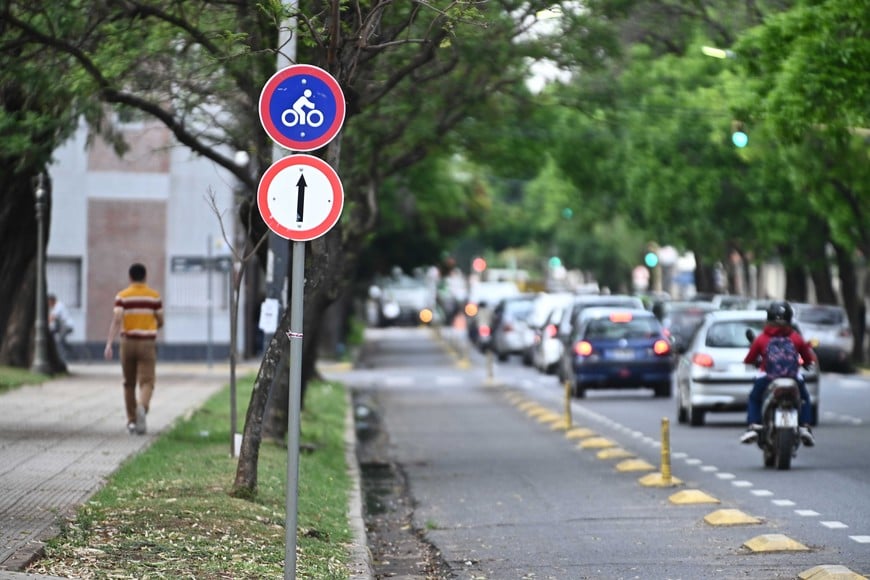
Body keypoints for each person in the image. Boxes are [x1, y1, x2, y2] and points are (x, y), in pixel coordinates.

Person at [740, 301, 816, 447]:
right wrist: (806, 363)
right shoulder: (795, 338)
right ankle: (805, 426)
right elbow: (807, 358)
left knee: (754, 399)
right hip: (793, 378)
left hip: (767, 378)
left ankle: (754, 425)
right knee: (805, 398)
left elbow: (749, 359)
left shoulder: (762, 338)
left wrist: (755, 362)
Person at [104, 263, 164, 435]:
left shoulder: (122, 296)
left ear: (130, 278)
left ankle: (131, 421)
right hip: (147, 343)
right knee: (147, 381)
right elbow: (160, 320)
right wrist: (152, 324)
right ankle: (142, 408)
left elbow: (117, 319)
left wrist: (109, 343)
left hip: (127, 342)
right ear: (145, 277)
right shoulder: (154, 297)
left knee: (128, 383)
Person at [48, 294, 73, 363]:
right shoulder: (55, 308)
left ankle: (65, 355)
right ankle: (64, 350)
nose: (48, 305)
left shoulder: (59, 306)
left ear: (52, 301)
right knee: (52, 334)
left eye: (49, 302)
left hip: (67, 326)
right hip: (61, 326)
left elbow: (52, 318)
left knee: (60, 340)